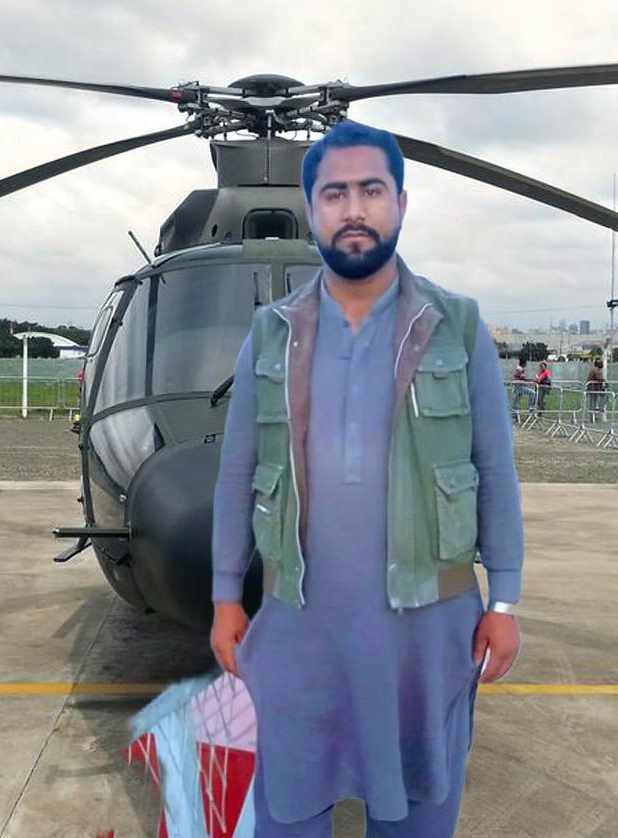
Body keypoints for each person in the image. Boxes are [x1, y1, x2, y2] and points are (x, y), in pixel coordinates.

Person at [210, 121, 523, 838]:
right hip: (298, 624)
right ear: (312, 209)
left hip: (428, 629)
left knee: (418, 808)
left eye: (371, 190)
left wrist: (503, 599)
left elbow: (494, 469)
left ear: (400, 203)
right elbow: (236, 474)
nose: (354, 209)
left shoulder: (457, 325)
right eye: (334, 193)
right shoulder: (270, 333)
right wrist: (227, 597)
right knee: (288, 810)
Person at [585, 358, 607, 422]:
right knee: (593, 402)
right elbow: (598, 377)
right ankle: (592, 417)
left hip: (597, 388)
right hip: (593, 388)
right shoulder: (594, 370)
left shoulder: (597, 370)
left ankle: (598, 409)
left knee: (604, 397)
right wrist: (603, 380)